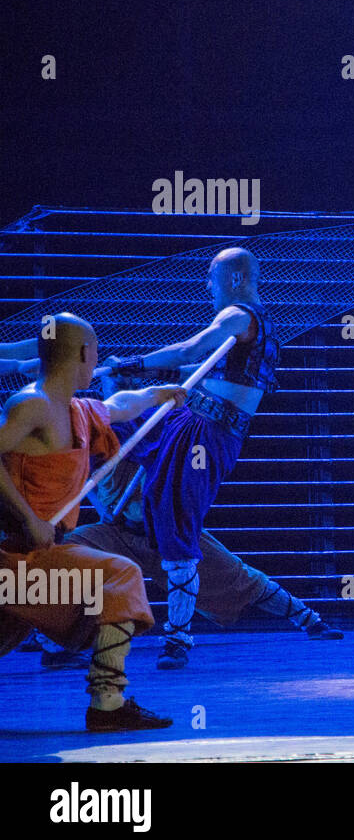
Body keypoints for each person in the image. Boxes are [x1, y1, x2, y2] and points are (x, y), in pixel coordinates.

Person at [67, 370, 343, 657]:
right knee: (66, 550)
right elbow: (85, 482)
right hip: (119, 532)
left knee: (238, 577)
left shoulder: (163, 422)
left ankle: (309, 620)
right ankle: (54, 638)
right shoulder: (99, 433)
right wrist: (104, 511)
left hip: (165, 527)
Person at [104, 247, 279, 668]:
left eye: (212, 278)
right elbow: (199, 372)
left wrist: (135, 362)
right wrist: (138, 376)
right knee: (106, 428)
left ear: (235, 280)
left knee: (175, 517)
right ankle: (123, 509)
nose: (207, 287)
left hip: (206, 433)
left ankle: (179, 637)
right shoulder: (247, 331)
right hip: (187, 420)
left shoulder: (239, 315)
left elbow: (189, 350)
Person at [0, 314, 177, 730]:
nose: (97, 359)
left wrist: (159, 394)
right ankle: (107, 703)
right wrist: (29, 517)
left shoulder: (77, 410)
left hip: (44, 556)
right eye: (95, 351)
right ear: (84, 353)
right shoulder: (33, 405)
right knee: (121, 575)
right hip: (17, 556)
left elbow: (119, 406)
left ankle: (107, 702)